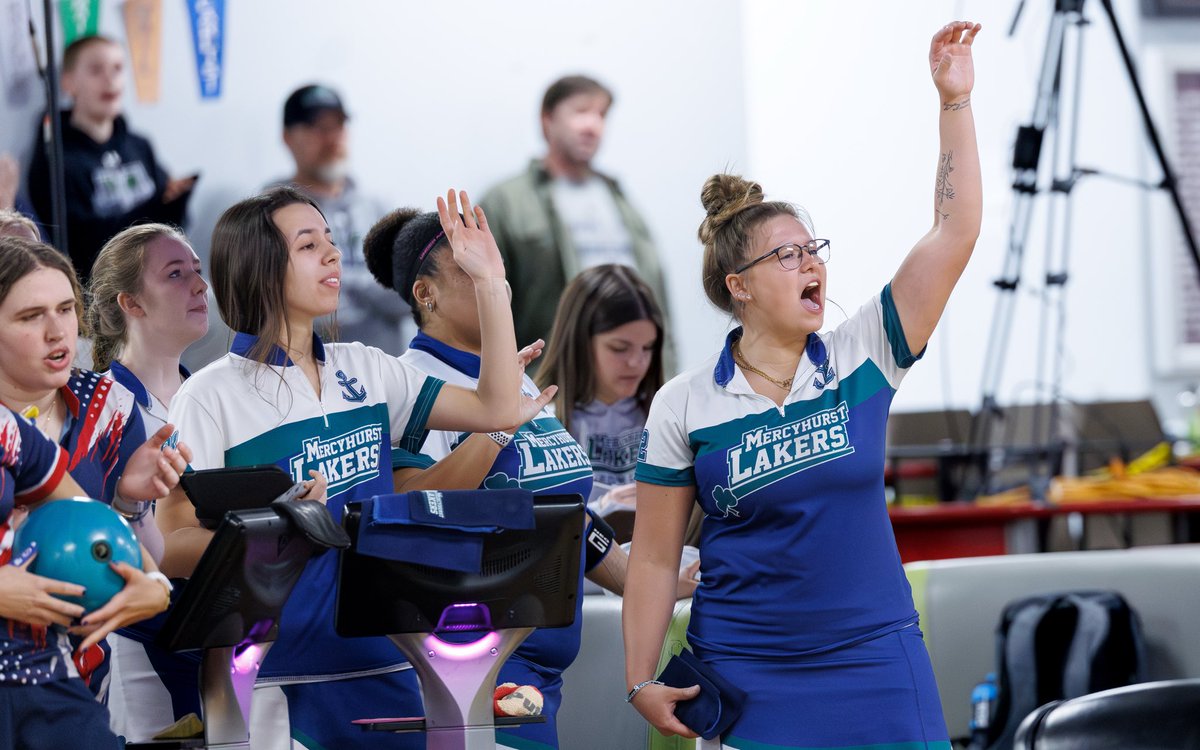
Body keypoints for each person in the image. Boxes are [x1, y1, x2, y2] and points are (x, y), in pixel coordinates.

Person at [623, 21, 983, 749]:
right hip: (747, 673)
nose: (810, 263)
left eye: (812, 248)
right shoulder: (684, 403)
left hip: (876, 656)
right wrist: (639, 679)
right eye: (785, 256)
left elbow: (954, 231)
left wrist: (954, 101)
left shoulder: (865, 353)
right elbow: (658, 556)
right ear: (740, 288)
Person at [157, 186, 531, 749]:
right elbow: (171, 540)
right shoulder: (210, 394)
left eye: (330, 240)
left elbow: (497, 408)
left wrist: (489, 284)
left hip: (397, 658)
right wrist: (272, 532)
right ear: (259, 267)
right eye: (309, 245)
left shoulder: (367, 369)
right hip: (279, 680)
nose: (333, 255)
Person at [362, 208, 695, 750]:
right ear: (427, 295)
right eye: (473, 271)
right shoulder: (411, 384)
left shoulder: (513, 382)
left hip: (541, 675)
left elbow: (568, 521)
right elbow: (407, 507)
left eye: (497, 265)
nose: (497, 282)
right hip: (472, 672)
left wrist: (649, 578)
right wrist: (494, 433)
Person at [0, 235, 193, 695]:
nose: (57, 332)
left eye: (66, 310)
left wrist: (129, 500)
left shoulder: (109, 407)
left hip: (73, 677)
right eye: (31, 316)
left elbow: (147, 564)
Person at [87, 223, 210, 741]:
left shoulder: (210, 391)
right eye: (176, 274)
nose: (200, 286)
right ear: (131, 304)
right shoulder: (100, 407)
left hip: (219, 630)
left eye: (199, 272)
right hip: (141, 641)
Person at [0, 405, 182, 749]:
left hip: (39, 671)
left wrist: (155, 585)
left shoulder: (10, 429)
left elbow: (92, 520)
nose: (60, 346)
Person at [480, 75, 670, 364]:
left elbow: (657, 294)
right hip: (549, 380)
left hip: (634, 378)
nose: (593, 126)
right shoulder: (505, 202)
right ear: (547, 120)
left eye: (601, 115)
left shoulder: (621, 201)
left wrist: (666, 371)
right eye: (581, 111)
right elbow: (481, 306)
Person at [26, 35, 195, 286]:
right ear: (69, 83)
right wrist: (155, 208)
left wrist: (176, 199)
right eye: (96, 70)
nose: (110, 80)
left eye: (117, 68)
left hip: (158, 280)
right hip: (103, 293)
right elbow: (79, 243)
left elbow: (175, 224)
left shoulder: (139, 145)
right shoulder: (56, 159)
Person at [268, 83, 410, 353]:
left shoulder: (379, 208)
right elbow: (278, 302)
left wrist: (338, 281)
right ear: (288, 137)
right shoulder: (269, 212)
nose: (332, 137)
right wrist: (371, 289)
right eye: (318, 127)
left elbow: (410, 296)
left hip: (383, 379)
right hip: (302, 378)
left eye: (338, 126)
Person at [535, 264, 664, 522]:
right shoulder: (540, 422)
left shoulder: (667, 414)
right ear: (580, 343)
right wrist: (603, 509)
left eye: (648, 348)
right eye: (619, 348)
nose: (636, 363)